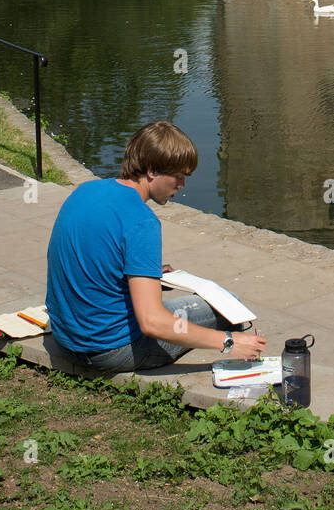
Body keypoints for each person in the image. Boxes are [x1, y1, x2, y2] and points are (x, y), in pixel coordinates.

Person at [46, 122, 266, 371]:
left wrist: (143, 273)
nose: (182, 186)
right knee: (227, 305)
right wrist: (227, 342)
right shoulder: (142, 221)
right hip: (110, 350)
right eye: (178, 177)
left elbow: (87, 260)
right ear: (151, 171)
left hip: (66, 339)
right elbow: (152, 323)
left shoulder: (85, 190)